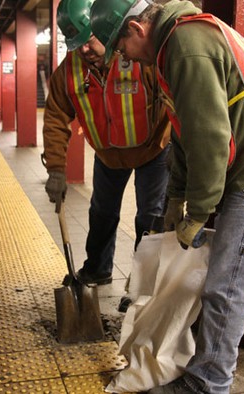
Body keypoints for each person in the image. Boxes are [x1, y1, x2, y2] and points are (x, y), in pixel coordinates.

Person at [90, 0, 244, 393]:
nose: (125, 58)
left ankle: (209, 383)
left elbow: (210, 139)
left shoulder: (185, 46)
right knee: (220, 279)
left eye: (121, 49)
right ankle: (205, 369)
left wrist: (199, 211)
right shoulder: (175, 45)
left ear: (137, 29)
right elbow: (185, 131)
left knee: (228, 283)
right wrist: (176, 198)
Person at [43, 0, 171, 287]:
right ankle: (98, 269)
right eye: (76, 44)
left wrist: (178, 144)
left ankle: (143, 283)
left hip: (153, 151)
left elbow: (172, 96)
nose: (85, 50)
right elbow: (54, 118)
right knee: (102, 213)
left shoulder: (137, 54)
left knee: (150, 217)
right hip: (108, 156)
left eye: (89, 40)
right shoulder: (68, 72)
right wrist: (55, 169)